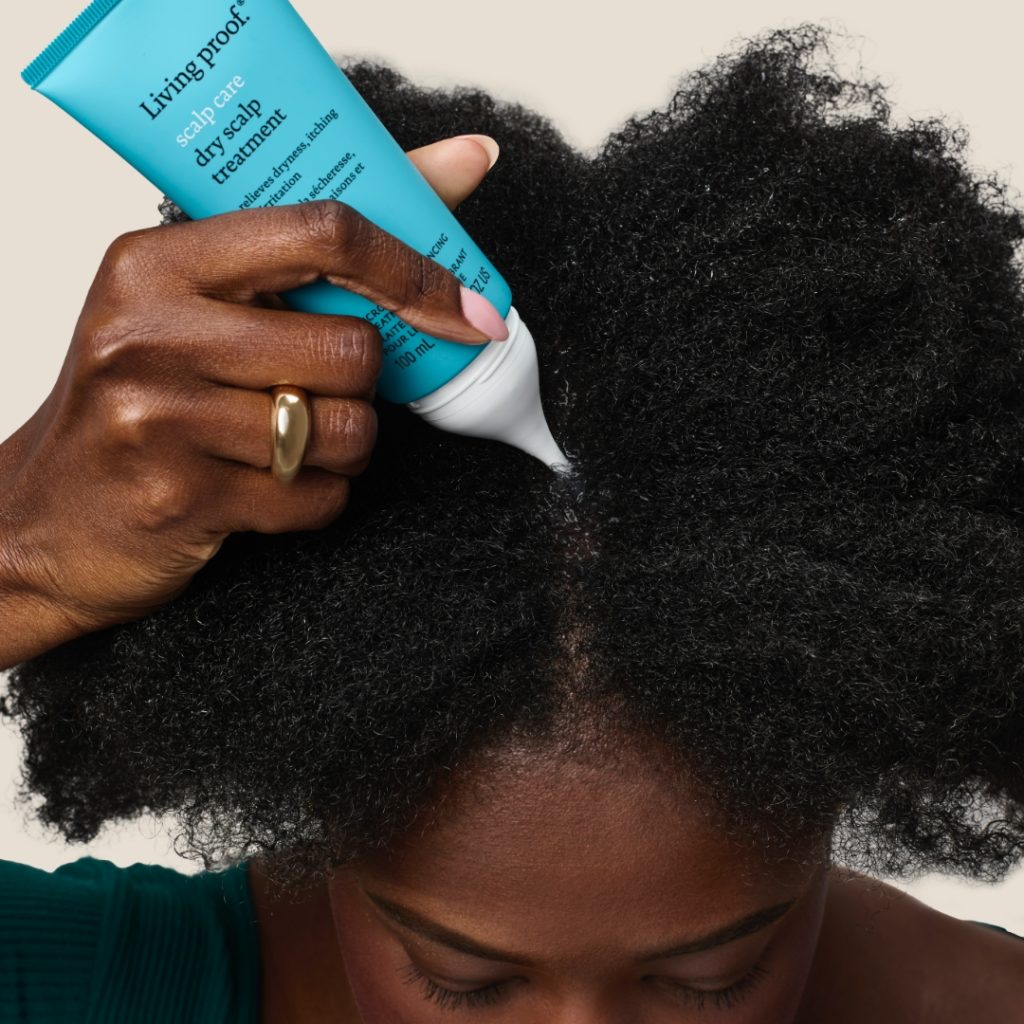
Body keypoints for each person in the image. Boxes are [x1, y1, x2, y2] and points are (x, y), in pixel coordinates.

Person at [2, 22, 1024, 1023]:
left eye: (711, 977)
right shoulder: (95, 985)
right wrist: (23, 560)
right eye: (463, 979)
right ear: (331, 829)